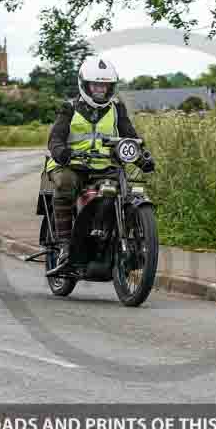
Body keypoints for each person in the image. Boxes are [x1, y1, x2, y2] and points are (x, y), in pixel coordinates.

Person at [45, 56, 155, 275]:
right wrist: (61, 152)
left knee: (113, 190)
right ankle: (66, 245)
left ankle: (104, 234)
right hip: (71, 164)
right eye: (96, 85)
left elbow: (129, 136)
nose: (100, 90)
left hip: (103, 166)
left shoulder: (117, 109)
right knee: (65, 183)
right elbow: (55, 138)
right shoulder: (69, 108)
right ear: (85, 85)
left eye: (104, 86)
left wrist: (142, 158)